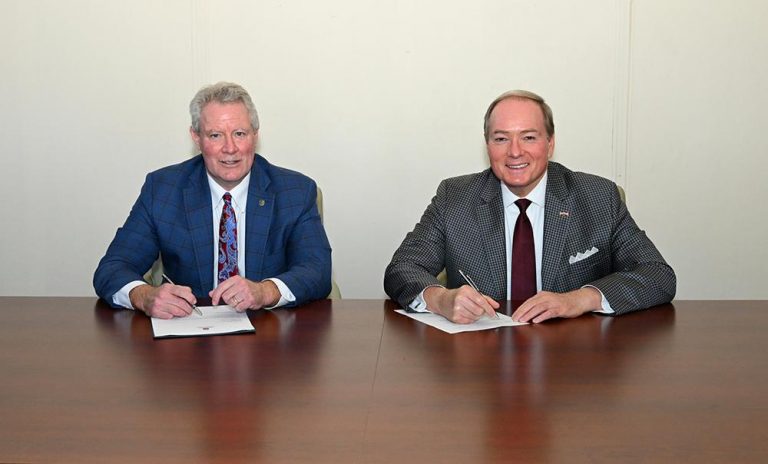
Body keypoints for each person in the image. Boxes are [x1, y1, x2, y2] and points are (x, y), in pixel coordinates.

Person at [384, 90, 675, 324]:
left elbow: (658, 275)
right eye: (501, 139)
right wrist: (440, 299)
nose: (514, 151)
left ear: (549, 143)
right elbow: (402, 268)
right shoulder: (456, 197)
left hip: (575, 364)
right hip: (480, 363)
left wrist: (580, 299)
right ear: (488, 146)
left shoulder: (598, 197)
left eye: (529, 137)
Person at [94, 82, 332, 319]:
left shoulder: (295, 191)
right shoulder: (163, 190)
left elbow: (317, 271)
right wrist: (144, 296)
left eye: (239, 134)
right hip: (189, 333)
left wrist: (264, 291)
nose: (230, 148)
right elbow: (112, 268)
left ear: (255, 136)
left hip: (270, 334)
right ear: (196, 137)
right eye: (215, 135)